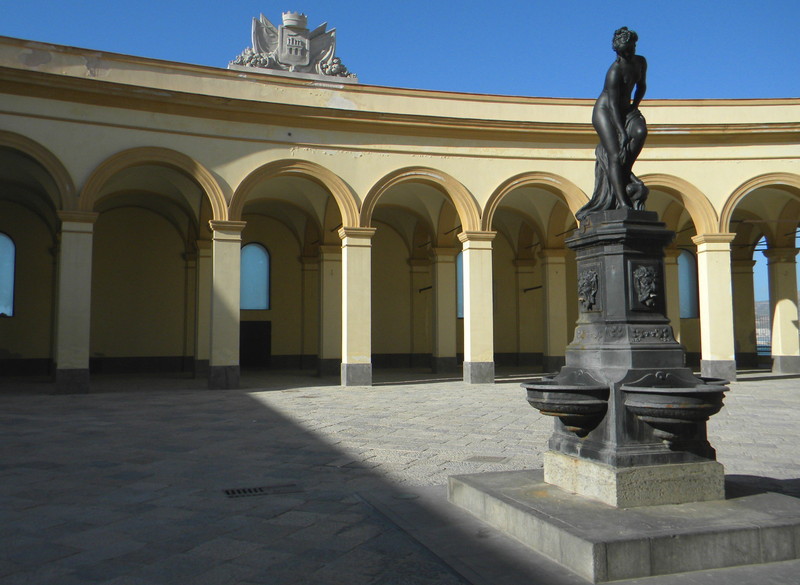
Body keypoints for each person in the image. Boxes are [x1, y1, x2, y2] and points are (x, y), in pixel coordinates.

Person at [576, 27, 649, 221]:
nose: (629, 52)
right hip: (605, 112)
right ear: (618, 51)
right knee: (615, 155)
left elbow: (642, 86)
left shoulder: (640, 61)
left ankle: (624, 175)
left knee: (641, 132)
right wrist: (620, 131)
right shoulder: (614, 71)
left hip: (626, 108)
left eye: (631, 47)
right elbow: (613, 105)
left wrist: (635, 106)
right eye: (625, 51)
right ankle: (623, 201)